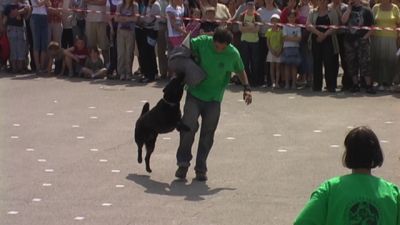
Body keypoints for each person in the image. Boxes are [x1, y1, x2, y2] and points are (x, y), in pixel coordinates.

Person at [175, 27, 252, 182]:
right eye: (217, 46)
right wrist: (185, 62)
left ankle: (201, 168)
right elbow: (185, 45)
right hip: (194, 92)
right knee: (188, 127)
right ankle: (183, 163)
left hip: (214, 98)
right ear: (213, 40)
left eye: (223, 47)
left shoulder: (232, 53)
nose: (219, 49)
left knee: (207, 134)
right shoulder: (203, 42)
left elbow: (240, 70)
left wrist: (247, 88)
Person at [294, 126, 400, 225]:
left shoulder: (330, 189)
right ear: (376, 154)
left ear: (348, 154)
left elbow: (303, 222)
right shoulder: (393, 193)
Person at [342, 0, 376, 94]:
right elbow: (343, 20)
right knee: (352, 63)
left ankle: (369, 85)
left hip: (363, 41)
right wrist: (349, 9)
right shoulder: (345, 9)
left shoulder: (367, 10)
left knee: (365, 63)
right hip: (349, 41)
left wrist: (364, 38)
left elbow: (372, 27)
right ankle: (355, 85)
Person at [306, 0, 339, 92]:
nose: (322, 2)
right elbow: (308, 25)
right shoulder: (312, 12)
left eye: (324, 0)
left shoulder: (332, 12)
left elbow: (335, 26)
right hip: (315, 40)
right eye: (320, 0)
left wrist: (324, 35)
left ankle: (330, 86)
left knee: (329, 63)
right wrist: (319, 33)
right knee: (316, 63)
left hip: (329, 40)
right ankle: (317, 86)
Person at [371, 0, 400, 91]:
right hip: (377, 37)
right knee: (380, 59)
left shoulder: (395, 7)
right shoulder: (375, 7)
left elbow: (399, 22)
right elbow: (371, 23)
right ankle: (380, 82)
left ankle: (390, 82)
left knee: (391, 60)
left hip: (391, 38)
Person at [239, 0, 262, 87]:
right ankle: (246, 81)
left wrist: (247, 27)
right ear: (246, 6)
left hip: (254, 41)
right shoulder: (242, 15)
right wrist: (251, 27)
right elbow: (241, 29)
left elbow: (257, 29)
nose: (250, 6)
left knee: (255, 62)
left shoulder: (257, 16)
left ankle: (255, 81)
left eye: (252, 5)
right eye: (249, 5)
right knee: (245, 62)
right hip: (244, 41)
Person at [3, 0, 30, 73]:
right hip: (17, 28)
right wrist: (19, 13)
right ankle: (18, 68)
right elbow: (26, 15)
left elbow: (5, 20)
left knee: (15, 49)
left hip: (14, 28)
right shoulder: (20, 6)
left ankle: (16, 68)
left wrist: (17, 13)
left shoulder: (8, 6)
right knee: (18, 49)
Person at [115, 0, 137, 80]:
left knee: (129, 53)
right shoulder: (119, 5)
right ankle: (121, 73)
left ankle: (128, 73)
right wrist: (128, 18)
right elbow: (116, 18)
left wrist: (125, 18)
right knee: (121, 53)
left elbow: (136, 18)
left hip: (130, 32)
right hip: (121, 31)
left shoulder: (135, 5)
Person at [282, 9, 301, 89]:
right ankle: (287, 84)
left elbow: (299, 38)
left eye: (293, 17)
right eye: (290, 17)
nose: (291, 18)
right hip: (287, 48)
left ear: (295, 18)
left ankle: (293, 84)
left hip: (295, 48)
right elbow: (284, 38)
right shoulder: (284, 26)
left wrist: (289, 38)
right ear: (287, 17)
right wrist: (294, 38)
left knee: (294, 67)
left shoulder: (298, 27)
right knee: (286, 66)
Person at [30, 0, 51, 75]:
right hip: (35, 17)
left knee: (44, 44)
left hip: (44, 17)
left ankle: (42, 68)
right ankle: (38, 68)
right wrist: (45, 1)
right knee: (36, 44)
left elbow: (49, 4)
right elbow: (38, 3)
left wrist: (45, 2)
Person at [265, 14, 283, 88]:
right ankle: (273, 82)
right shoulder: (269, 31)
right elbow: (268, 42)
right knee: (272, 67)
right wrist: (271, 50)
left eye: (276, 21)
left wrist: (279, 50)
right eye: (273, 21)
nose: (274, 23)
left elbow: (282, 42)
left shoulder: (281, 31)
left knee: (278, 68)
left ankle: (277, 82)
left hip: (279, 51)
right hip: (271, 51)